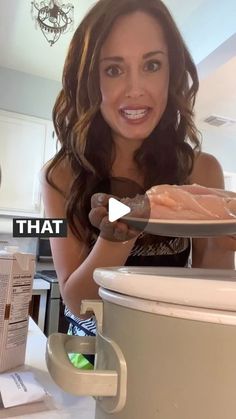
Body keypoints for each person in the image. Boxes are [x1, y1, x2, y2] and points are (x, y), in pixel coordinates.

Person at [41, 0, 236, 368]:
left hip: (172, 350)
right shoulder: (61, 175)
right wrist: (119, 233)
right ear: (90, 80)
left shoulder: (202, 170)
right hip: (92, 354)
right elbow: (77, 301)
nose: (135, 89)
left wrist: (225, 241)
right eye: (113, 69)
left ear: (171, 72)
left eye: (151, 65)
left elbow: (209, 286)